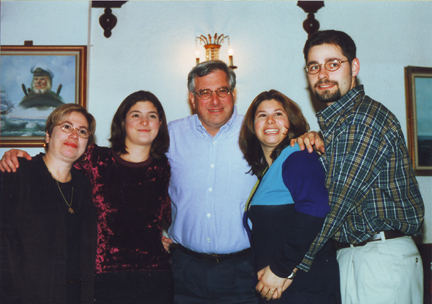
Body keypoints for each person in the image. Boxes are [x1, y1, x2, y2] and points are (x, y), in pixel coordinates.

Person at [0, 91, 173, 303]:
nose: (144, 121)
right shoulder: (95, 160)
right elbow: (54, 162)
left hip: (151, 279)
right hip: (100, 282)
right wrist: (16, 155)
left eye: (82, 131)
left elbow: (176, 210)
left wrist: (168, 239)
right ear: (123, 121)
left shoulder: (166, 167)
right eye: (136, 114)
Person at [298, 30, 425, 304]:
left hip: (379, 258)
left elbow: (337, 200)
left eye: (333, 64)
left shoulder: (362, 120)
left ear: (353, 67)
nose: (322, 74)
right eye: (314, 66)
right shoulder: (341, 124)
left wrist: (287, 267)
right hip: (357, 255)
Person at [164, 60, 259, 303]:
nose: (214, 101)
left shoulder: (257, 132)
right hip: (184, 270)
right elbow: (138, 182)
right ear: (192, 98)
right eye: (204, 92)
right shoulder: (169, 136)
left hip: (243, 270)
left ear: (233, 93)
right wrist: (151, 231)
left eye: (222, 91)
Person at [239, 90, 341, 303]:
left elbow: (315, 209)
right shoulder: (270, 170)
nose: (270, 121)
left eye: (278, 114)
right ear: (252, 126)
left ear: (291, 122)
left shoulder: (298, 157)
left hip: (304, 288)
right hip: (283, 289)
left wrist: (280, 269)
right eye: (261, 115)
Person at [0, 103, 97, 303]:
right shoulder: (18, 173)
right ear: (47, 136)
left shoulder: (84, 185)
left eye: (82, 131)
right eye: (66, 127)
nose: (74, 135)